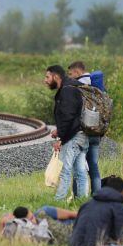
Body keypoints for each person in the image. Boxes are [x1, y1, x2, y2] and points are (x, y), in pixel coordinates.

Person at [44, 65, 89, 201]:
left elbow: (68, 117)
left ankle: (59, 200)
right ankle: (82, 200)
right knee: (80, 170)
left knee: (64, 169)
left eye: (47, 76)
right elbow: (74, 115)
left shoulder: (67, 90)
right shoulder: (73, 87)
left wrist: (61, 139)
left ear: (56, 76)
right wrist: (60, 131)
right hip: (83, 134)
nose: (45, 80)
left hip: (74, 136)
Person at [69, 175, 123, 246]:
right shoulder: (119, 207)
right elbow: (120, 237)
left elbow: (75, 227)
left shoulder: (87, 204)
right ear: (122, 192)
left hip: (74, 245)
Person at [68, 60, 101, 195]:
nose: (69, 76)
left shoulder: (79, 86)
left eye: (70, 73)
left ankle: (78, 196)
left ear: (77, 72)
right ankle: (97, 195)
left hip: (82, 132)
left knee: (78, 166)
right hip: (96, 130)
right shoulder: (96, 85)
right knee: (93, 165)